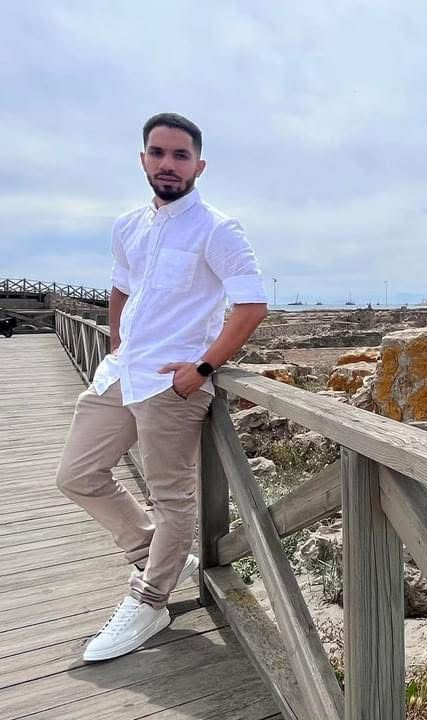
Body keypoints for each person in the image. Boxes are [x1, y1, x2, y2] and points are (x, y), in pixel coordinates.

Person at [56, 113, 269, 662]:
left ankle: (149, 599)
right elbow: (121, 288)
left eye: (180, 156)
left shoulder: (218, 228)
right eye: (158, 153)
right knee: (77, 475)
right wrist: (116, 346)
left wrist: (201, 369)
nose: (168, 164)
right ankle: (151, 551)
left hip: (173, 383)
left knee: (173, 497)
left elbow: (251, 305)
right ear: (143, 159)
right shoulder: (128, 225)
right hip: (123, 373)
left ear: (199, 165)